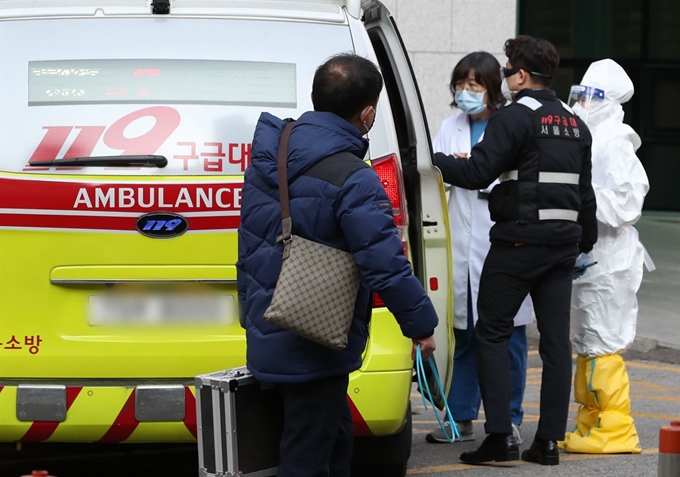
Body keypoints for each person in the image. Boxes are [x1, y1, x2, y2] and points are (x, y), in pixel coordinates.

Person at [236, 53, 438, 477]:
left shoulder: (270, 156)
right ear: (367, 113)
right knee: (307, 455)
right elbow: (384, 262)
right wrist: (420, 324)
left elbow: (252, 241)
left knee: (329, 440)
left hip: (270, 320)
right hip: (314, 331)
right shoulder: (353, 176)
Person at [433, 35, 598, 466]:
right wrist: (585, 243)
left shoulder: (514, 117)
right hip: (563, 247)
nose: (505, 78)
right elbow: (585, 194)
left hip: (518, 243)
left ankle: (501, 437)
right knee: (555, 345)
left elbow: (476, 172)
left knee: (492, 331)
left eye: (507, 71)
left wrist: (431, 161)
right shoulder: (574, 122)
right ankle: (547, 443)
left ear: (521, 75)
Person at [425, 51, 533, 446]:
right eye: (461, 84)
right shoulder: (448, 126)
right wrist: (454, 169)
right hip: (460, 238)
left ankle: (512, 417)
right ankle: (461, 417)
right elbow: (433, 175)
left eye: (475, 85)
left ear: (492, 88)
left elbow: (510, 176)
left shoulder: (512, 125)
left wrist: (470, 168)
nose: (467, 92)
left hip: (500, 233)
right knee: (463, 334)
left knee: (508, 336)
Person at [564, 59, 653, 454]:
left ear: (609, 101)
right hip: (591, 256)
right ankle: (591, 421)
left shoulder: (616, 141)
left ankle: (615, 429)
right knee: (587, 341)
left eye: (591, 96)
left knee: (603, 342)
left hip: (610, 257)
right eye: (579, 94)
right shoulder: (591, 137)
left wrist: (583, 199)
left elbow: (628, 203)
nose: (582, 103)